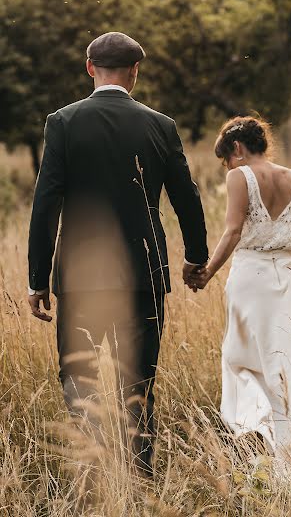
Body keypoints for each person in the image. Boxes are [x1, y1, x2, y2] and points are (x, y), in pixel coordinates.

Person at [27, 31, 208, 476]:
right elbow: (186, 196)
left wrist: (38, 278)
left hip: (81, 278)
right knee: (139, 383)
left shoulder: (63, 122)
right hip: (144, 274)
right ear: (135, 72)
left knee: (80, 382)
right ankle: (141, 479)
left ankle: (90, 474)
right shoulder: (160, 125)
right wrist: (195, 255)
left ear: (90, 68)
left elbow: (46, 203)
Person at [189, 115, 291, 474]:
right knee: (284, 365)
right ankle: (287, 459)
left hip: (250, 278)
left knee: (241, 361)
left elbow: (231, 232)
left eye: (226, 158)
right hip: (288, 279)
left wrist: (207, 273)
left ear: (238, 149)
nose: (227, 165)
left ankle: (256, 447)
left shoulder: (238, 176)